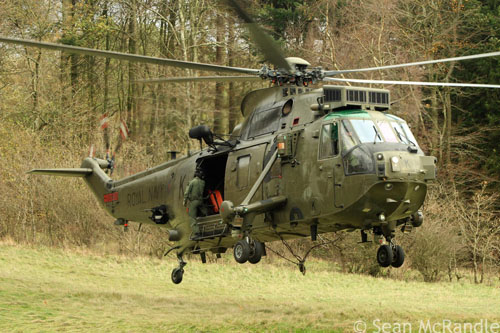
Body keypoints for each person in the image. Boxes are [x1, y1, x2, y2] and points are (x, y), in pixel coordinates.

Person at [183, 168, 206, 236]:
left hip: (194, 202)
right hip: (201, 201)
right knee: (205, 212)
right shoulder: (203, 182)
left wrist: (185, 201)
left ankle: (197, 232)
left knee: (192, 217)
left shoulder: (192, 182)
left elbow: (186, 192)